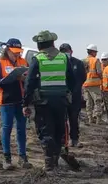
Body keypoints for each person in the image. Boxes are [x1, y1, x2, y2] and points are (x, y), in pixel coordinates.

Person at [22, 30, 76, 171]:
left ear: (39, 45)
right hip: (61, 101)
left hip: (43, 102)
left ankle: (49, 164)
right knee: (58, 130)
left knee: (46, 131)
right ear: (53, 43)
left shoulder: (38, 59)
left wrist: (25, 103)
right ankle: (55, 161)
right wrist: (67, 93)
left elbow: (29, 82)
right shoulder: (64, 58)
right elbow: (72, 80)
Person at [0, 38, 30, 169]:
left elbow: (29, 78)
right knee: (7, 128)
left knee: (21, 129)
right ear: (7, 50)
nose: (16, 54)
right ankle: (7, 158)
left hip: (21, 100)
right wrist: (11, 79)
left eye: (18, 52)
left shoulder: (23, 62)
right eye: (14, 52)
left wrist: (24, 78)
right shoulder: (0, 63)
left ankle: (23, 157)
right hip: (7, 100)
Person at [60, 43, 86, 146]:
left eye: (66, 51)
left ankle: (74, 139)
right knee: (62, 119)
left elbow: (83, 77)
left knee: (74, 118)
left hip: (75, 96)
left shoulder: (78, 63)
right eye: (62, 51)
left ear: (71, 51)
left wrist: (75, 89)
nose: (65, 53)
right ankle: (63, 140)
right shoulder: (59, 63)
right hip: (62, 95)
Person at [82, 44, 103, 125]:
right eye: (95, 52)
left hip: (85, 84)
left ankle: (90, 119)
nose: (96, 53)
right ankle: (98, 120)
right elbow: (99, 72)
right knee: (97, 101)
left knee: (88, 102)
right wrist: (101, 78)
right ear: (93, 52)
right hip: (94, 84)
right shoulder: (96, 60)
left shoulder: (83, 60)